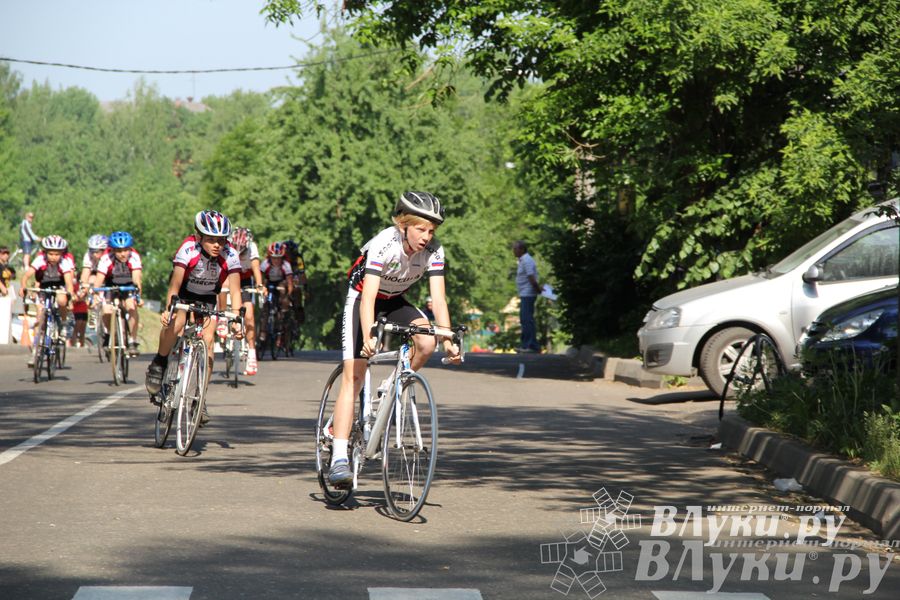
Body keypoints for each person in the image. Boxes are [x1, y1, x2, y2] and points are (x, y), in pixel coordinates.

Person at [328, 191, 461, 487]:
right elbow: (368, 298)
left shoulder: (435, 251)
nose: (427, 237)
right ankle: (338, 457)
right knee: (355, 374)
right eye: (420, 229)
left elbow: (438, 300)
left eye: (431, 230)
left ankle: (392, 384)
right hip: (363, 297)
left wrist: (448, 338)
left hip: (395, 300)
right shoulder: (383, 243)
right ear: (403, 225)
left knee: (427, 342)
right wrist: (369, 336)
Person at [145, 211, 243, 421]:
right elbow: (175, 284)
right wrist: (168, 307)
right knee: (177, 322)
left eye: (221, 240)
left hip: (209, 298)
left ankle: (200, 397)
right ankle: (159, 362)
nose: (217, 245)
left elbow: (235, 291)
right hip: (184, 295)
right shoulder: (188, 249)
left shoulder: (231, 255)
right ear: (199, 237)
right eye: (211, 240)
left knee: (208, 340)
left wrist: (236, 319)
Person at [18, 235, 76, 367]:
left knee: (62, 300)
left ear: (61, 253)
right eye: (50, 253)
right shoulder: (40, 260)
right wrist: (23, 286)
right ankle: (35, 352)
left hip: (59, 286)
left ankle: (62, 323)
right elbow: (27, 275)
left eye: (57, 254)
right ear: (45, 252)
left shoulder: (65, 262)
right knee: (40, 316)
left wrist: (69, 295)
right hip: (44, 286)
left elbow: (68, 282)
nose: (54, 257)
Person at [92, 231, 143, 356]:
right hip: (111, 286)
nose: (123, 254)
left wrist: (138, 296)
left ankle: (132, 340)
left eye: (126, 250)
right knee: (107, 311)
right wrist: (95, 296)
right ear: (113, 250)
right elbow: (99, 280)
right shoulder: (106, 258)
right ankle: (109, 333)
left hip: (128, 285)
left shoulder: (134, 257)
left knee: (131, 307)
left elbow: (137, 279)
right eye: (119, 251)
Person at [222, 226, 263, 375]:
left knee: (249, 315)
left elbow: (256, 269)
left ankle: (252, 352)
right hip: (229, 277)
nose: (240, 255)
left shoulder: (252, 247)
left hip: (245, 280)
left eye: (243, 252)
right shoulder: (226, 246)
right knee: (222, 287)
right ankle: (221, 318)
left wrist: (259, 286)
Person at [512, 240, 542, 353]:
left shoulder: (527, 260)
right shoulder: (522, 260)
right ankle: (526, 344)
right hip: (525, 293)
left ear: (522, 249)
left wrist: (537, 289)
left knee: (527, 319)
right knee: (525, 319)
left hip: (528, 293)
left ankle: (531, 345)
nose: (513, 251)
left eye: (515, 249)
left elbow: (531, 277)